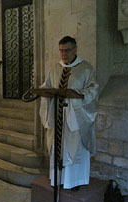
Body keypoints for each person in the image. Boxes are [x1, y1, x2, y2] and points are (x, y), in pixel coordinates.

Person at [39, 36, 99, 190]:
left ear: (75, 49)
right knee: (57, 149)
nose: (63, 54)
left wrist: (76, 96)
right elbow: (47, 86)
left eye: (67, 50)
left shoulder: (86, 68)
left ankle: (74, 181)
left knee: (75, 149)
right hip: (57, 116)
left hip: (75, 119)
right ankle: (58, 180)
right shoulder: (55, 69)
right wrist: (42, 91)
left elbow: (93, 90)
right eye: (61, 51)